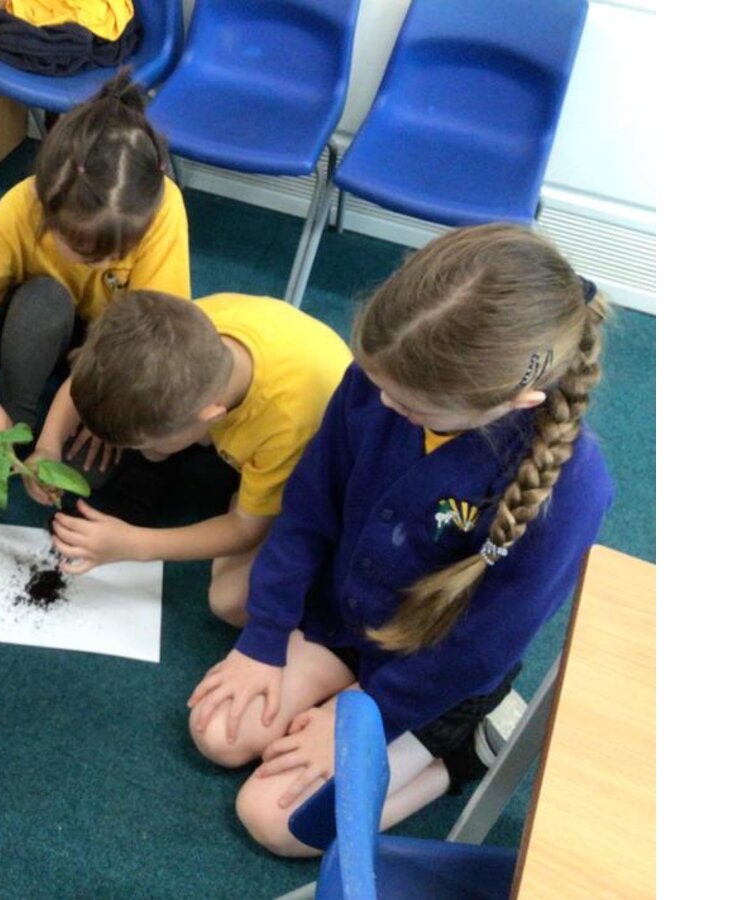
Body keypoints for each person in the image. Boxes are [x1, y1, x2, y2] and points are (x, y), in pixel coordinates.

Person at [187, 224, 615, 854]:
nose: (385, 402)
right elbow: (307, 511)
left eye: (414, 408)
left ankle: (459, 756)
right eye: (380, 384)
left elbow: (480, 647)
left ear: (517, 401)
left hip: (433, 679)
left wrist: (370, 713)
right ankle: (343, 701)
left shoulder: (572, 488)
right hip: (345, 621)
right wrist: (264, 638)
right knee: (218, 733)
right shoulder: (384, 377)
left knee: (276, 821)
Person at [38, 291, 352, 623]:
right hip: (261, 391)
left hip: (319, 464)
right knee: (150, 453)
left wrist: (133, 544)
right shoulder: (177, 333)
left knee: (230, 601)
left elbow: (245, 529)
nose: (138, 452)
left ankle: (254, 492)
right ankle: (239, 483)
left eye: (141, 444)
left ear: (210, 417)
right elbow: (84, 380)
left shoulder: (288, 424)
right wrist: (48, 446)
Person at [0, 70, 190, 456]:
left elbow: (151, 336)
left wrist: (99, 409)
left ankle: (67, 418)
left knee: (91, 471)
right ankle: (19, 414)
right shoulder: (20, 208)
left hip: (117, 348)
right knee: (43, 298)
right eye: (84, 249)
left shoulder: (163, 208)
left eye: (116, 251)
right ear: (46, 208)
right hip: (39, 333)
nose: (101, 264)